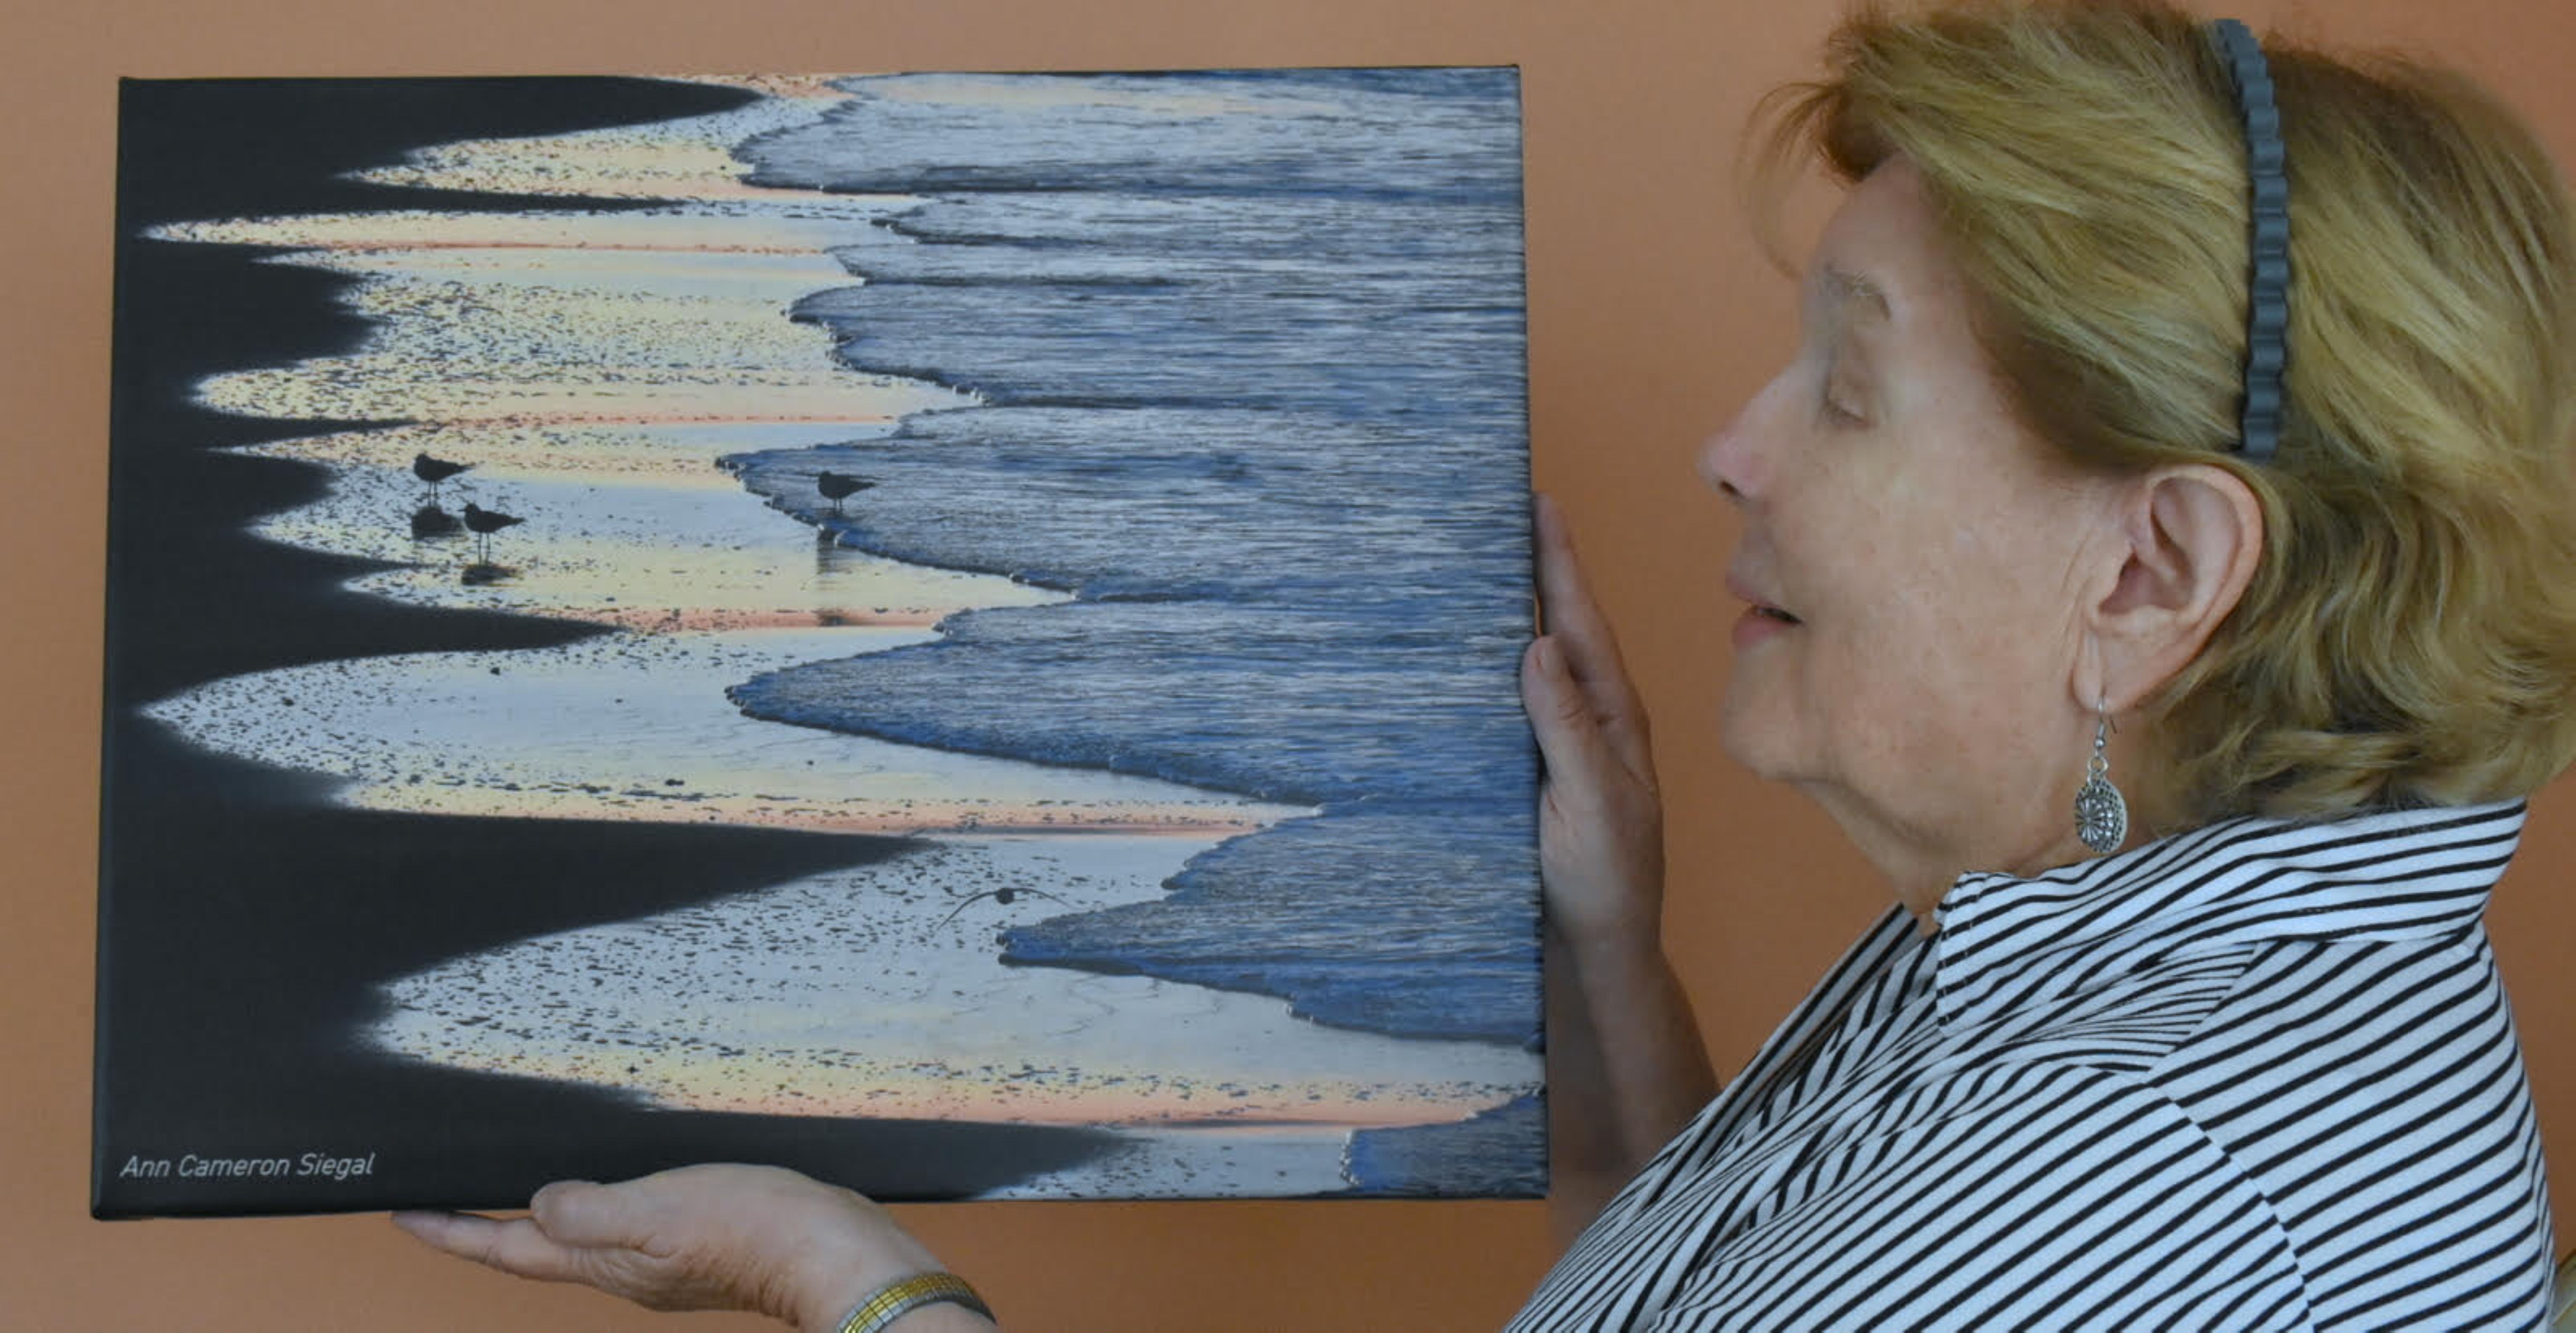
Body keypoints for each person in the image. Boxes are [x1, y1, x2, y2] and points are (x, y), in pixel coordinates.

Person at [395, 0, 2576, 1327]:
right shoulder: (2171, 976)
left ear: (2154, 571)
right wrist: (1608, 958)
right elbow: (1726, 1274)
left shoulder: (2121, 1189)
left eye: (1848, 388)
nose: (1730, 449)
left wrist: (842, 1277)